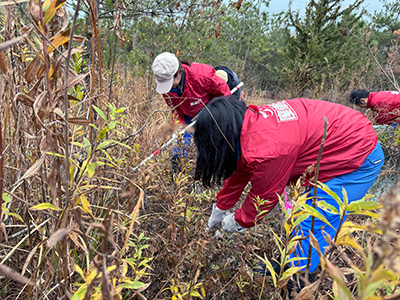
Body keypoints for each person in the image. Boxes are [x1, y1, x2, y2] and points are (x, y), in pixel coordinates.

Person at [194, 97, 384, 297]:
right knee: (304, 217)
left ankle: (298, 281)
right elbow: (240, 169)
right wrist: (220, 208)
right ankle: (291, 263)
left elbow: (264, 198)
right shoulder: (246, 125)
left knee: (314, 222)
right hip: (342, 134)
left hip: (357, 157)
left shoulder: (268, 149)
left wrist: (235, 222)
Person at [152, 52, 232, 171]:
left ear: (179, 73)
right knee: (182, 140)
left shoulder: (202, 75)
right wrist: (178, 125)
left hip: (207, 112)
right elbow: (174, 107)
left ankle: (201, 174)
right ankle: (176, 169)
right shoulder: (167, 87)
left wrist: (212, 112)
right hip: (187, 114)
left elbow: (225, 94)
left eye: (169, 82)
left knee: (204, 143)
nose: (167, 88)